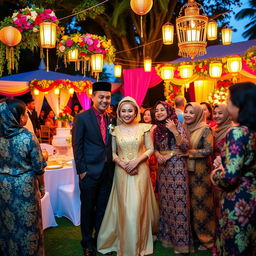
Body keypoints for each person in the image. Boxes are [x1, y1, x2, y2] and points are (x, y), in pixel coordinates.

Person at [97, 96, 159, 256]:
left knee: (137, 206)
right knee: (124, 206)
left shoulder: (144, 128)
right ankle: (123, 241)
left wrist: (136, 161)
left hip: (140, 171)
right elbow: (111, 152)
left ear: (136, 111)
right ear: (118, 112)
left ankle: (139, 244)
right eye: (123, 111)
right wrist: (122, 163)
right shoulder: (114, 130)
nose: (126, 114)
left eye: (130, 110)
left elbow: (150, 149)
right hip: (121, 171)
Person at [211, 82, 256, 255]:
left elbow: (229, 177)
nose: (227, 104)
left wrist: (215, 174)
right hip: (253, 195)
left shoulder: (238, 133)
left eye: (229, 100)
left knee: (236, 247)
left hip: (239, 199)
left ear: (240, 104)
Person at [72, 82, 115, 256]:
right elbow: (77, 145)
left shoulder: (110, 119)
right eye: (101, 97)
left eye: (108, 97)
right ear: (93, 97)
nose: (105, 100)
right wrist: (82, 171)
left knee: (103, 208)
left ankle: (100, 239)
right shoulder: (82, 118)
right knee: (88, 208)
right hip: (89, 172)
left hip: (107, 171)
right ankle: (87, 242)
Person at [0, 98, 46, 256]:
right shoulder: (27, 137)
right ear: (18, 117)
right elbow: (39, 166)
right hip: (24, 187)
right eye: (26, 113)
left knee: (9, 223)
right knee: (28, 225)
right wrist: (42, 187)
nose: (27, 115)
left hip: (3, 187)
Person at [153, 101, 193, 254]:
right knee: (166, 204)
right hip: (163, 169)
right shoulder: (157, 128)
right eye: (156, 110)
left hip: (177, 168)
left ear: (168, 110)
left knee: (179, 204)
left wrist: (174, 131)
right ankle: (168, 238)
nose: (159, 112)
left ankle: (181, 243)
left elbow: (185, 146)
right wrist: (157, 155)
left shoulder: (176, 123)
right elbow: (155, 148)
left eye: (162, 110)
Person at [183, 102, 216, 250]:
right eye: (186, 111)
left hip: (200, 174)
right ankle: (193, 237)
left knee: (201, 206)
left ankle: (207, 238)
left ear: (198, 115)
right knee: (188, 205)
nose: (188, 115)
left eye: (191, 112)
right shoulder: (183, 128)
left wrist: (188, 153)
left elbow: (208, 150)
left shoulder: (205, 129)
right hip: (184, 172)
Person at [141, 108, 157, 192]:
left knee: (151, 175)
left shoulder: (154, 127)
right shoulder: (140, 126)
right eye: (145, 114)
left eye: (149, 115)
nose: (146, 116)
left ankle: (151, 194)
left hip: (151, 154)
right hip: (141, 153)